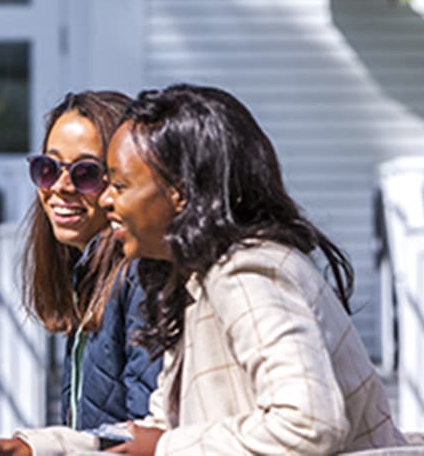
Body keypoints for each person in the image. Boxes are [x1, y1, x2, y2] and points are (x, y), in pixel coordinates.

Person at [101, 84, 404, 455]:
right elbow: (160, 429)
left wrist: (167, 446)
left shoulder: (246, 273)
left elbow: (308, 424)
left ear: (179, 192)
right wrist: (41, 447)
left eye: (119, 184)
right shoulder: (196, 278)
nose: (105, 199)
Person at [0, 91, 161, 456]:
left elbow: (149, 436)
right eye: (48, 169)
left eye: (86, 173)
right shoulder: (90, 278)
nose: (61, 188)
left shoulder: (141, 277)